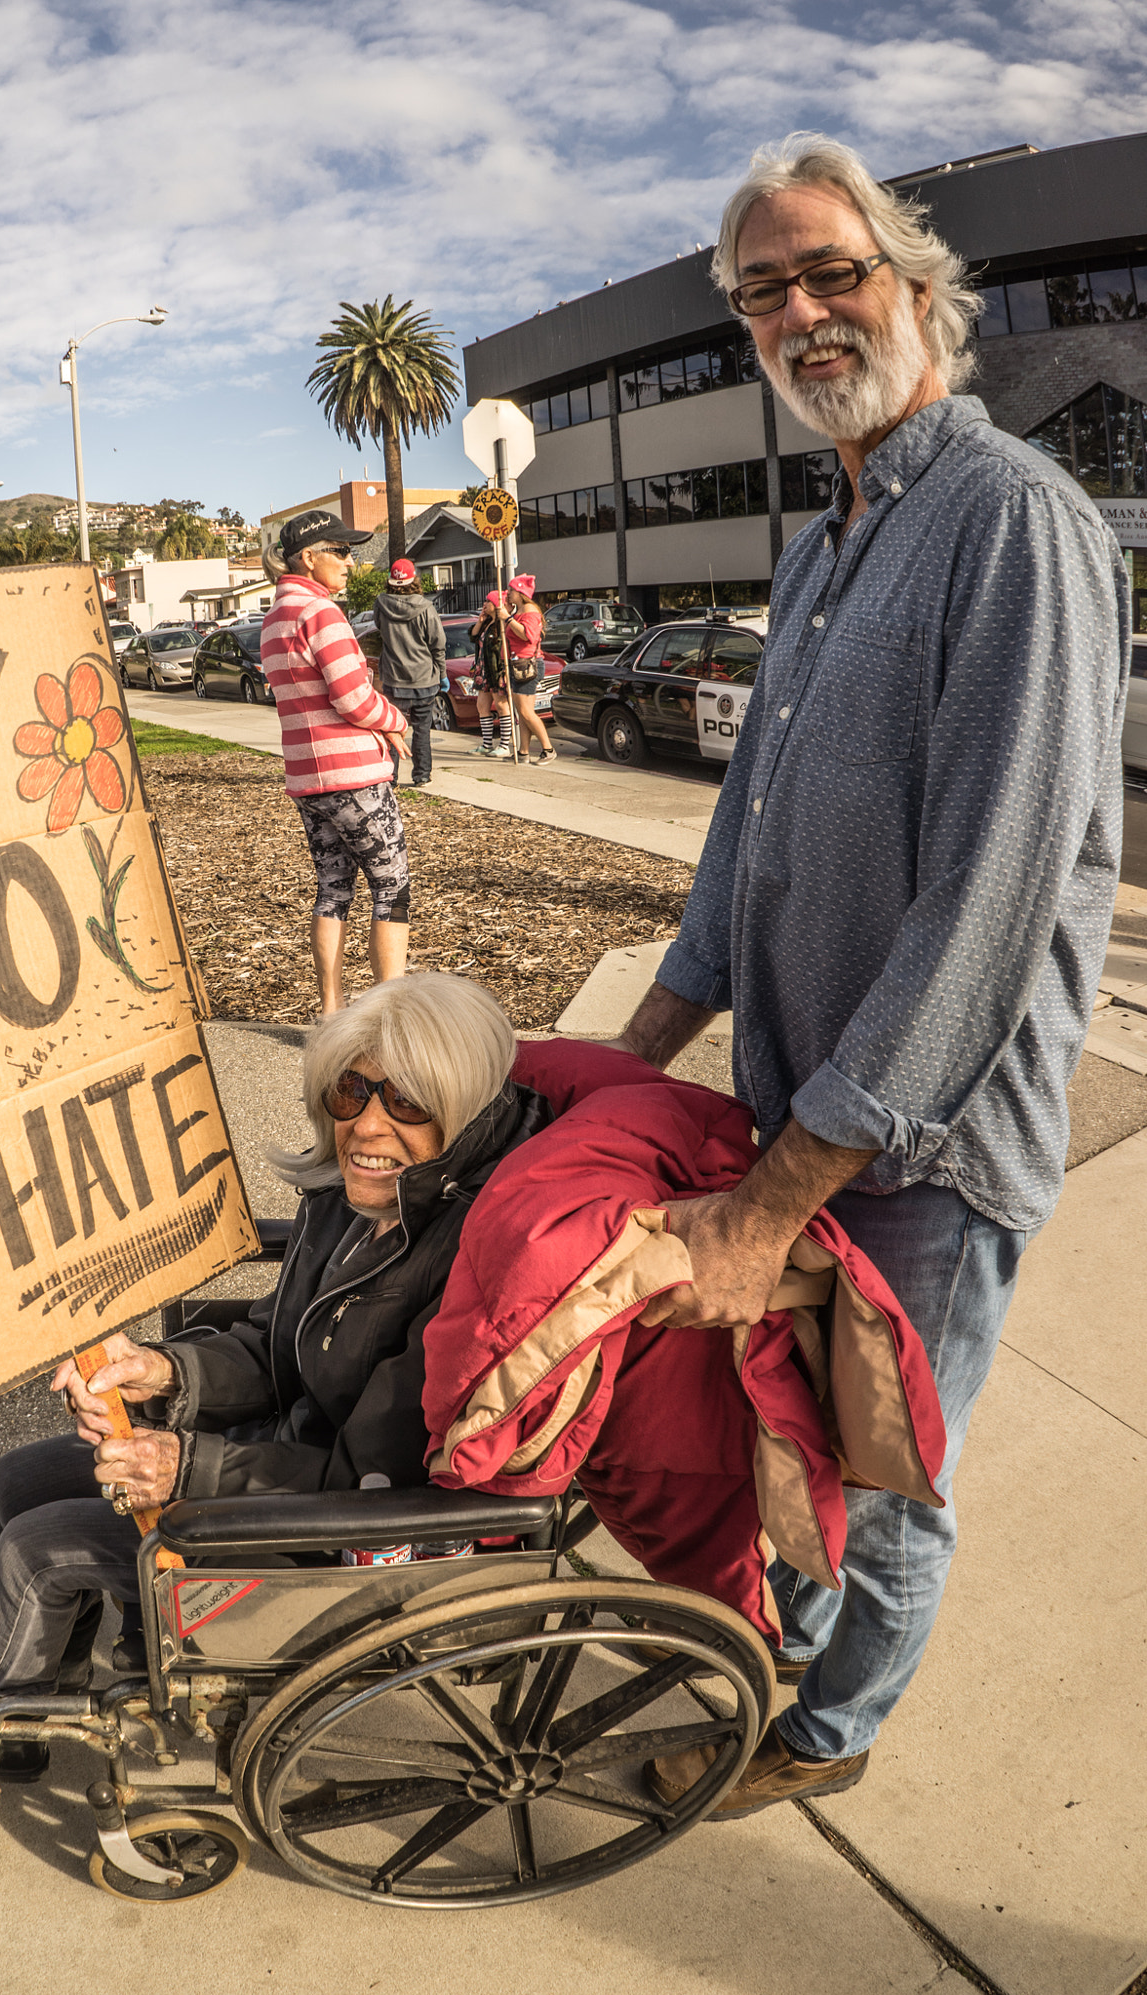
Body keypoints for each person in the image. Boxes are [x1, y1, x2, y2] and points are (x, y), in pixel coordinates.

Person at [608, 133, 1132, 1818]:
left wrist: (771, 1204)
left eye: (835, 270)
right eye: (767, 291)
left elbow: (985, 908)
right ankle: (797, 1642)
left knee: (885, 1468)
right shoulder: (826, 546)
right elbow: (746, 845)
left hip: (919, 1151)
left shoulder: (1015, 522)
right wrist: (635, 1055)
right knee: (789, 1434)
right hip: (795, 1111)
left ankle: (831, 1732)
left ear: (920, 291)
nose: (804, 311)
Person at [0, 975, 551, 1780]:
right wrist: (162, 1372)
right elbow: (277, 1350)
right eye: (349, 1090)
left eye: (407, 1104)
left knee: (39, 1549)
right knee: (25, 1476)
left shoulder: (467, 1260)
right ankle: (36, 1672)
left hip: (341, 1530)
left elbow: (365, 1477)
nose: (365, 1125)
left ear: (460, 1112)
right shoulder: (350, 1200)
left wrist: (182, 1465)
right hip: (281, 1458)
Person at [260, 508, 414, 1015]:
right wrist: (395, 720)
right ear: (309, 557)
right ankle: (385, 1017)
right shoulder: (322, 614)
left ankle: (330, 1010)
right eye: (342, 552)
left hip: (308, 780)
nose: (352, 562)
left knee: (333, 889)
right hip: (353, 777)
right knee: (391, 885)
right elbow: (353, 699)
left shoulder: (273, 620)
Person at [371, 558, 445, 787]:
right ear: (414, 580)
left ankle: (390, 778)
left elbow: (379, 631)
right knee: (422, 730)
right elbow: (438, 643)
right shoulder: (426, 608)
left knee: (393, 729)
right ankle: (422, 775)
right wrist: (442, 674)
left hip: (394, 680)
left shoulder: (380, 605)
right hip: (424, 679)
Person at [503, 575, 557, 762]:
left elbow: (529, 636)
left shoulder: (530, 611)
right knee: (522, 712)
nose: (508, 594)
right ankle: (524, 752)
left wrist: (509, 619)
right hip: (518, 664)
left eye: (511, 590)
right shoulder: (519, 611)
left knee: (526, 712)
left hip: (527, 665)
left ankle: (548, 749)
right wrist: (508, 616)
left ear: (520, 593)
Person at [468, 591, 512, 756]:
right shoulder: (487, 622)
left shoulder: (501, 624)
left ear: (496, 604)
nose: (485, 604)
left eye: (488, 601)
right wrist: (479, 622)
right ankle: (487, 744)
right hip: (483, 669)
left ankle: (505, 745)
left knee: (501, 705)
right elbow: (473, 637)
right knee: (482, 706)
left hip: (496, 669)